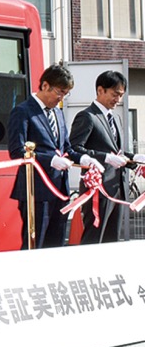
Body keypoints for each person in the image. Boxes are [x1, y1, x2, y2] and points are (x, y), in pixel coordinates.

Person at [6, 62, 81, 250]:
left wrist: (84, 159)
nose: (61, 98)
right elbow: (17, 151)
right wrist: (51, 160)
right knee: (35, 244)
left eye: (65, 94)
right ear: (45, 85)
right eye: (59, 92)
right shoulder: (22, 112)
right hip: (36, 191)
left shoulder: (58, 113)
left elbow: (66, 149)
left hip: (60, 190)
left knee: (56, 244)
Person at [68, 69, 141, 245]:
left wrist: (135, 159)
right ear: (100, 90)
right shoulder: (87, 116)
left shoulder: (115, 117)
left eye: (121, 95)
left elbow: (117, 152)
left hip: (118, 188)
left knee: (112, 239)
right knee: (94, 237)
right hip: (97, 189)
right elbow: (74, 149)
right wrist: (105, 158)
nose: (118, 99)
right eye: (115, 94)